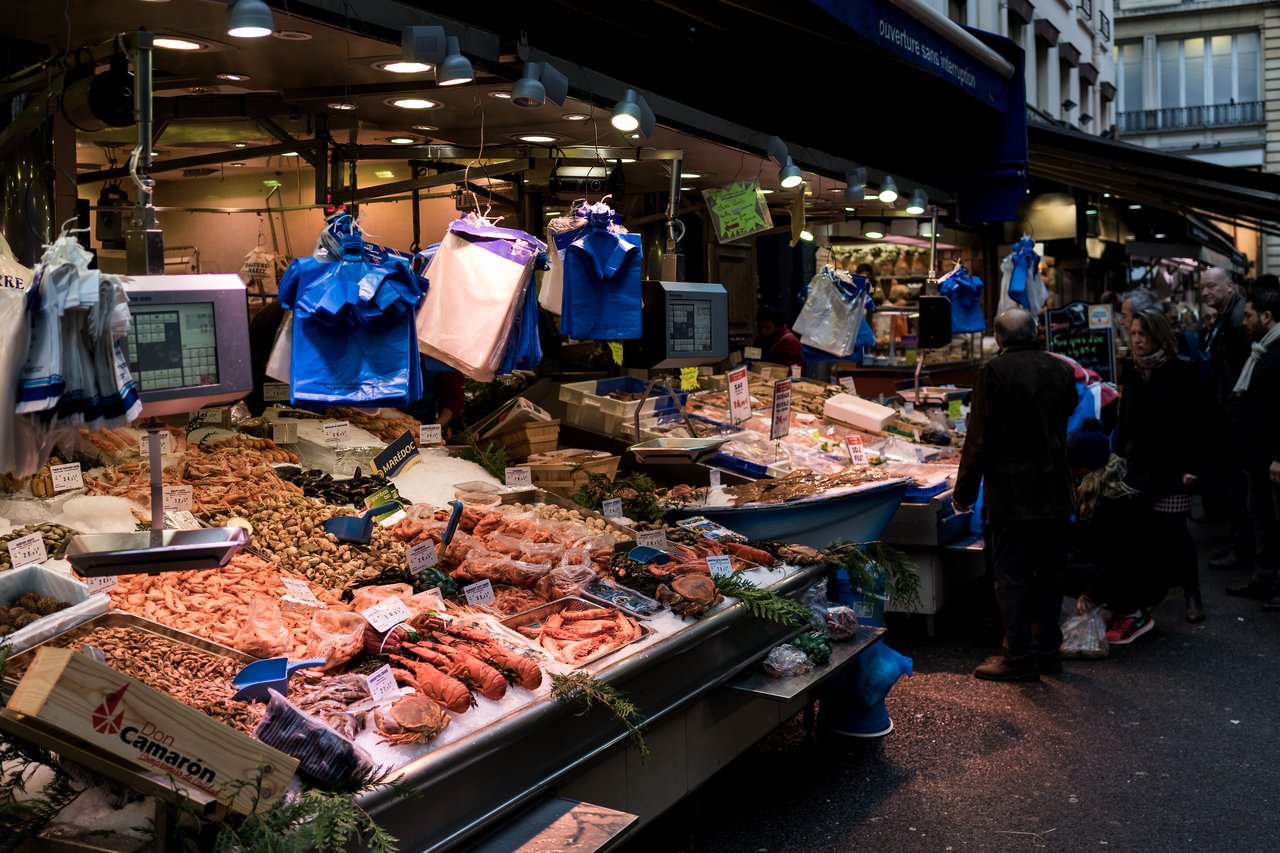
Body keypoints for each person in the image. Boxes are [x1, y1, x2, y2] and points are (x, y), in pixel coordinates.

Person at [953, 307, 1080, 681]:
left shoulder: (993, 372)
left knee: (1013, 575)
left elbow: (978, 439)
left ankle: (1017, 654)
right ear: (1035, 332)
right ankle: (1047, 651)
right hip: (1055, 489)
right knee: (1051, 572)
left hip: (1012, 492)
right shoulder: (1060, 368)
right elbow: (1067, 410)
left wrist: (964, 491)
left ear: (999, 339)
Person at [1116, 308, 1203, 622]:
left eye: (1144, 335)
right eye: (1134, 334)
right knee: (1144, 530)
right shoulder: (1132, 370)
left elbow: (1196, 422)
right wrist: (1118, 457)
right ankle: (1150, 593)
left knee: (1176, 531)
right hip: (1138, 464)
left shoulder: (1182, 370)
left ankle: (1192, 593)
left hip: (1173, 464)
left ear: (1158, 335)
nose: (1137, 340)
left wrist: (1193, 466)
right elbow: (1125, 417)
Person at [1064, 420, 1170, 645]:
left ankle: (1134, 614)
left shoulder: (1120, 499)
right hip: (1128, 565)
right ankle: (1120, 606)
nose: (1072, 473)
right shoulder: (1102, 485)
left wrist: (1092, 592)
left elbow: (1124, 556)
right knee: (1061, 567)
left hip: (1147, 574)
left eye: (1075, 468)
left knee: (1066, 574)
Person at [1223, 289, 1280, 610]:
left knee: (1275, 520)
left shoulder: (1276, 352)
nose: (1243, 321)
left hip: (1272, 458)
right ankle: (1265, 578)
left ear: (1266, 317)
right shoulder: (1261, 349)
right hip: (1257, 457)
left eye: (1248, 315)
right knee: (1262, 519)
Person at [1197, 267, 1254, 569]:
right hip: (1228, 416)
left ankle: (1243, 549)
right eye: (1202, 287)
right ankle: (1239, 545)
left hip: (1235, 419)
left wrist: (1231, 411)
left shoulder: (1235, 318)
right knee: (1235, 487)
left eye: (1212, 286)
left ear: (1229, 286)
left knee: (1239, 488)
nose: (1206, 292)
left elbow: (1242, 371)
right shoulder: (1226, 315)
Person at [401, 358, 466, 441]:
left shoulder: (448, 357)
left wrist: (437, 427)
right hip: (386, 421)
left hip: (424, 426)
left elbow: (452, 399)